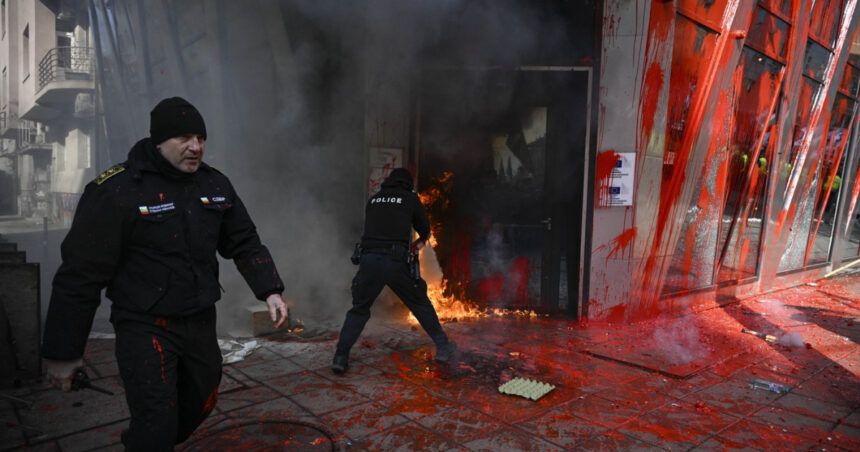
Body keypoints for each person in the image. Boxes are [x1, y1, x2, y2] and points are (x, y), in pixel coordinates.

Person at [41, 97, 289, 451]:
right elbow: (79, 275)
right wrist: (63, 352)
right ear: (159, 141)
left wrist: (270, 290)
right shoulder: (116, 190)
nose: (196, 147)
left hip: (199, 320)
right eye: (185, 138)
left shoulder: (214, 185)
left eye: (201, 138)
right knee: (156, 421)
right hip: (144, 325)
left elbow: (244, 241)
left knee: (202, 400)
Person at [332, 168, 456, 374]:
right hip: (395, 261)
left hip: (368, 260)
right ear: (408, 184)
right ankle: (443, 347)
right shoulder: (410, 199)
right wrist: (416, 246)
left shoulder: (374, 200)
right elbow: (425, 231)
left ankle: (340, 356)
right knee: (419, 302)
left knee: (359, 309)